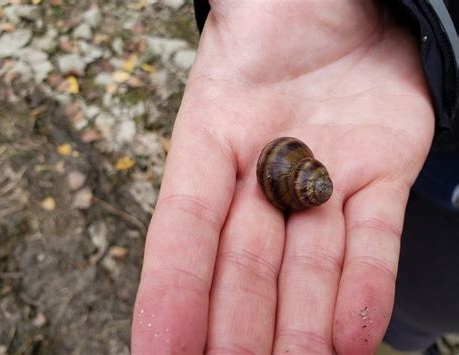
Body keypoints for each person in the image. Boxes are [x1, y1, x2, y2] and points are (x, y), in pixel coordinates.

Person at [132, 1, 459, 354]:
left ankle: (410, 339)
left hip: (432, 168)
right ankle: (403, 340)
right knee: (391, 300)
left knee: (418, 296)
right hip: (432, 148)